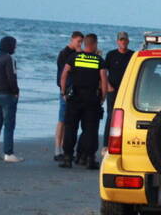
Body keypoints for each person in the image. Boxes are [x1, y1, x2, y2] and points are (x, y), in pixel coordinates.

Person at [58, 33, 108, 170]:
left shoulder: (74, 57)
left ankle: (68, 158)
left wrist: (63, 92)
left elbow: (64, 74)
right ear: (95, 44)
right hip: (92, 99)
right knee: (90, 130)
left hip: (74, 98)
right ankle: (90, 159)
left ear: (85, 44)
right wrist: (103, 97)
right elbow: (104, 80)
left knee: (71, 129)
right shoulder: (99, 60)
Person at [0, 36, 22, 162]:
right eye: (14, 45)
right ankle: (8, 153)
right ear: (10, 46)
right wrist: (16, 91)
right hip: (7, 95)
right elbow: (12, 77)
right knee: (9, 124)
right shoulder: (9, 59)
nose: (15, 47)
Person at [103, 32, 134, 150]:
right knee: (111, 116)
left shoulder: (132, 55)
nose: (123, 42)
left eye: (125, 40)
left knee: (126, 117)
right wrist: (108, 86)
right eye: (121, 40)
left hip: (127, 91)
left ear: (128, 41)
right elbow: (103, 72)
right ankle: (106, 144)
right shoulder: (111, 55)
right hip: (113, 91)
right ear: (117, 41)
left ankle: (124, 143)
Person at [55, 31, 83, 161]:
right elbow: (63, 74)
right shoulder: (64, 54)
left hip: (76, 90)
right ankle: (57, 148)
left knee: (70, 121)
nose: (80, 44)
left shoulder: (78, 54)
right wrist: (63, 91)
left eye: (81, 42)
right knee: (62, 120)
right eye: (78, 41)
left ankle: (66, 148)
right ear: (72, 40)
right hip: (66, 90)